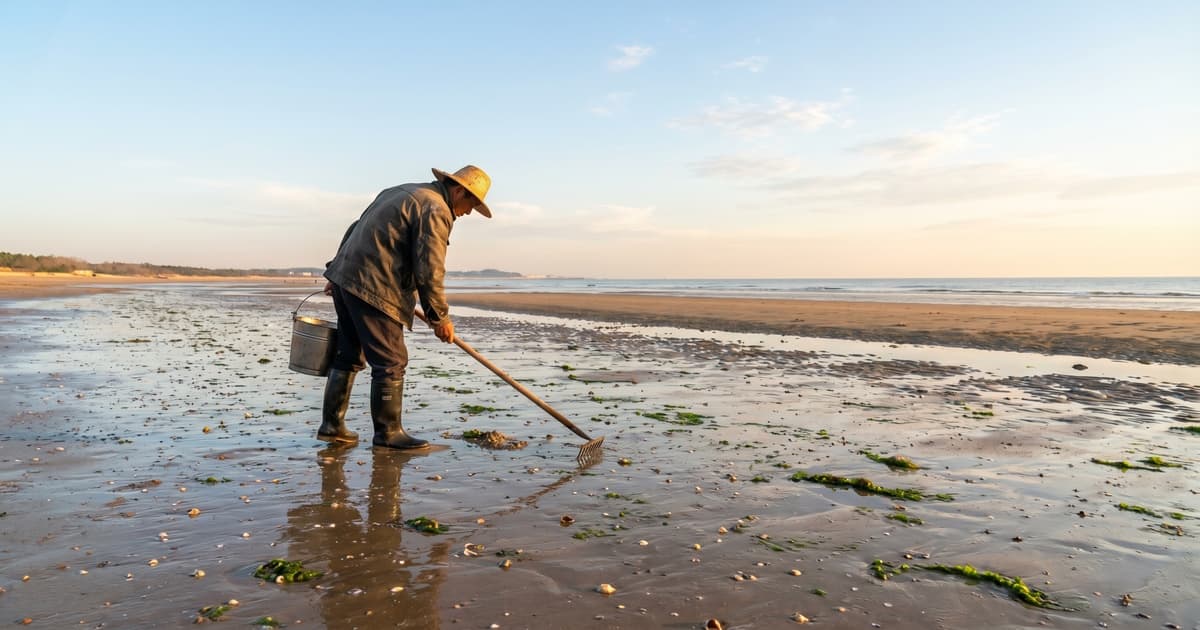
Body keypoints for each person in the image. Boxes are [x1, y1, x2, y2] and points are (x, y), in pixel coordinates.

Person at [318, 165, 492, 449]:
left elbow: (355, 227)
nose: (469, 212)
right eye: (470, 203)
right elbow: (430, 267)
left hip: (347, 278)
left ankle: (332, 426)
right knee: (390, 362)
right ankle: (388, 433)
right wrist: (440, 318)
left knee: (348, 354)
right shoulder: (435, 208)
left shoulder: (401, 191)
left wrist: (336, 270)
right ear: (459, 190)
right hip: (374, 285)